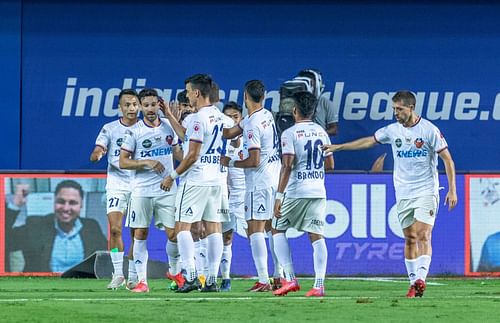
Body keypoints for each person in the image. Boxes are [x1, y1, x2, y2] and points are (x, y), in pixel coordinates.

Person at [323, 90, 458, 298]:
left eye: (399, 109)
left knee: (423, 234)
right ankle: (414, 284)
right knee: (410, 238)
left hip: (426, 190)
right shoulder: (393, 130)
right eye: (394, 109)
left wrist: (452, 189)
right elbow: (369, 141)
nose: (396, 113)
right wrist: (340, 147)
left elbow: (447, 160)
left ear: (411, 108)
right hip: (403, 192)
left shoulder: (429, 130)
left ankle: (421, 278)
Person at [160, 73, 228, 293]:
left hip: (196, 179)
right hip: (216, 179)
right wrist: (170, 116)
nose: (188, 95)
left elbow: (192, 155)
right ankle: (210, 280)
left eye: (189, 91)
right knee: (214, 227)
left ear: (197, 92)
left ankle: (190, 276)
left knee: (183, 226)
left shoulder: (199, 118)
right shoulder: (217, 115)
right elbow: (187, 136)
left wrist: (172, 175)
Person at [271, 91, 334, 297]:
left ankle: (289, 278)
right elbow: (330, 165)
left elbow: (287, 165)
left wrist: (279, 197)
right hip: (318, 190)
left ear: (294, 110)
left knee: (277, 229)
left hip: (297, 190)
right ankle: (319, 285)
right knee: (317, 236)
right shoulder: (322, 132)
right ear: (314, 111)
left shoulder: (289, 133)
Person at [119, 88, 182, 293]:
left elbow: (180, 151)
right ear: (140, 107)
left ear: (159, 105)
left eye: (153, 104)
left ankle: (174, 273)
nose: (150, 109)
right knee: (140, 233)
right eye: (145, 105)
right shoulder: (134, 131)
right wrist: (146, 162)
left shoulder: (168, 127)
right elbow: (123, 162)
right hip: (142, 191)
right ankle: (142, 282)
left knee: (174, 235)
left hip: (167, 188)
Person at [222, 80, 281, 292]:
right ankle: (278, 276)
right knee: (271, 229)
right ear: (263, 97)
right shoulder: (265, 115)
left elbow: (254, 161)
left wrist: (229, 162)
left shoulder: (253, 124)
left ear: (245, 97)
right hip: (274, 179)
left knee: (254, 230)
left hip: (259, 182)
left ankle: (264, 280)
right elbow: (229, 133)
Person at [89, 88, 140, 290]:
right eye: (127, 104)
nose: (131, 108)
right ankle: (118, 274)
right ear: (120, 107)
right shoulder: (110, 128)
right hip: (117, 184)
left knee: (137, 232)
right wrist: (98, 154)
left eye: (134, 104)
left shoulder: (146, 128)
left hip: (138, 184)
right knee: (116, 229)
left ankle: (134, 275)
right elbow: (98, 148)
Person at [6, 180, 107, 273]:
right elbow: (6, 241)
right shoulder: (36, 225)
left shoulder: (91, 226)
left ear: (81, 205)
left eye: (72, 203)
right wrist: (15, 205)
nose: (66, 208)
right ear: (54, 202)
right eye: (61, 202)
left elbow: (108, 252)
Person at [219, 101, 247, 291]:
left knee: (258, 235)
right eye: (227, 118)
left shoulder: (251, 140)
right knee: (225, 238)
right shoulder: (220, 143)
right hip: (226, 198)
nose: (231, 121)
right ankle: (225, 278)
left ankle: (273, 276)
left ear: (241, 119)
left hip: (247, 197)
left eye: (235, 117)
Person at [297, 69, 339, 136]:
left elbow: (334, 129)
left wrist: (317, 134)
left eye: (311, 83)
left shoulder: (326, 103)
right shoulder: (293, 102)